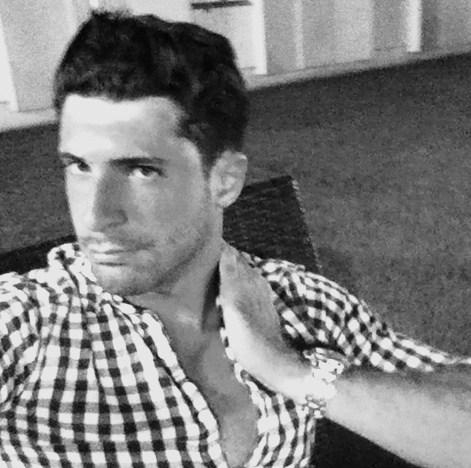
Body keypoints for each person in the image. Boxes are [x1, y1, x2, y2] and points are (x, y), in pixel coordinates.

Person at [0, 10, 470, 468]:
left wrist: (289, 369)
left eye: (142, 171)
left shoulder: (300, 303)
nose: (95, 215)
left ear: (224, 180)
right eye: (79, 166)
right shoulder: (27, 321)